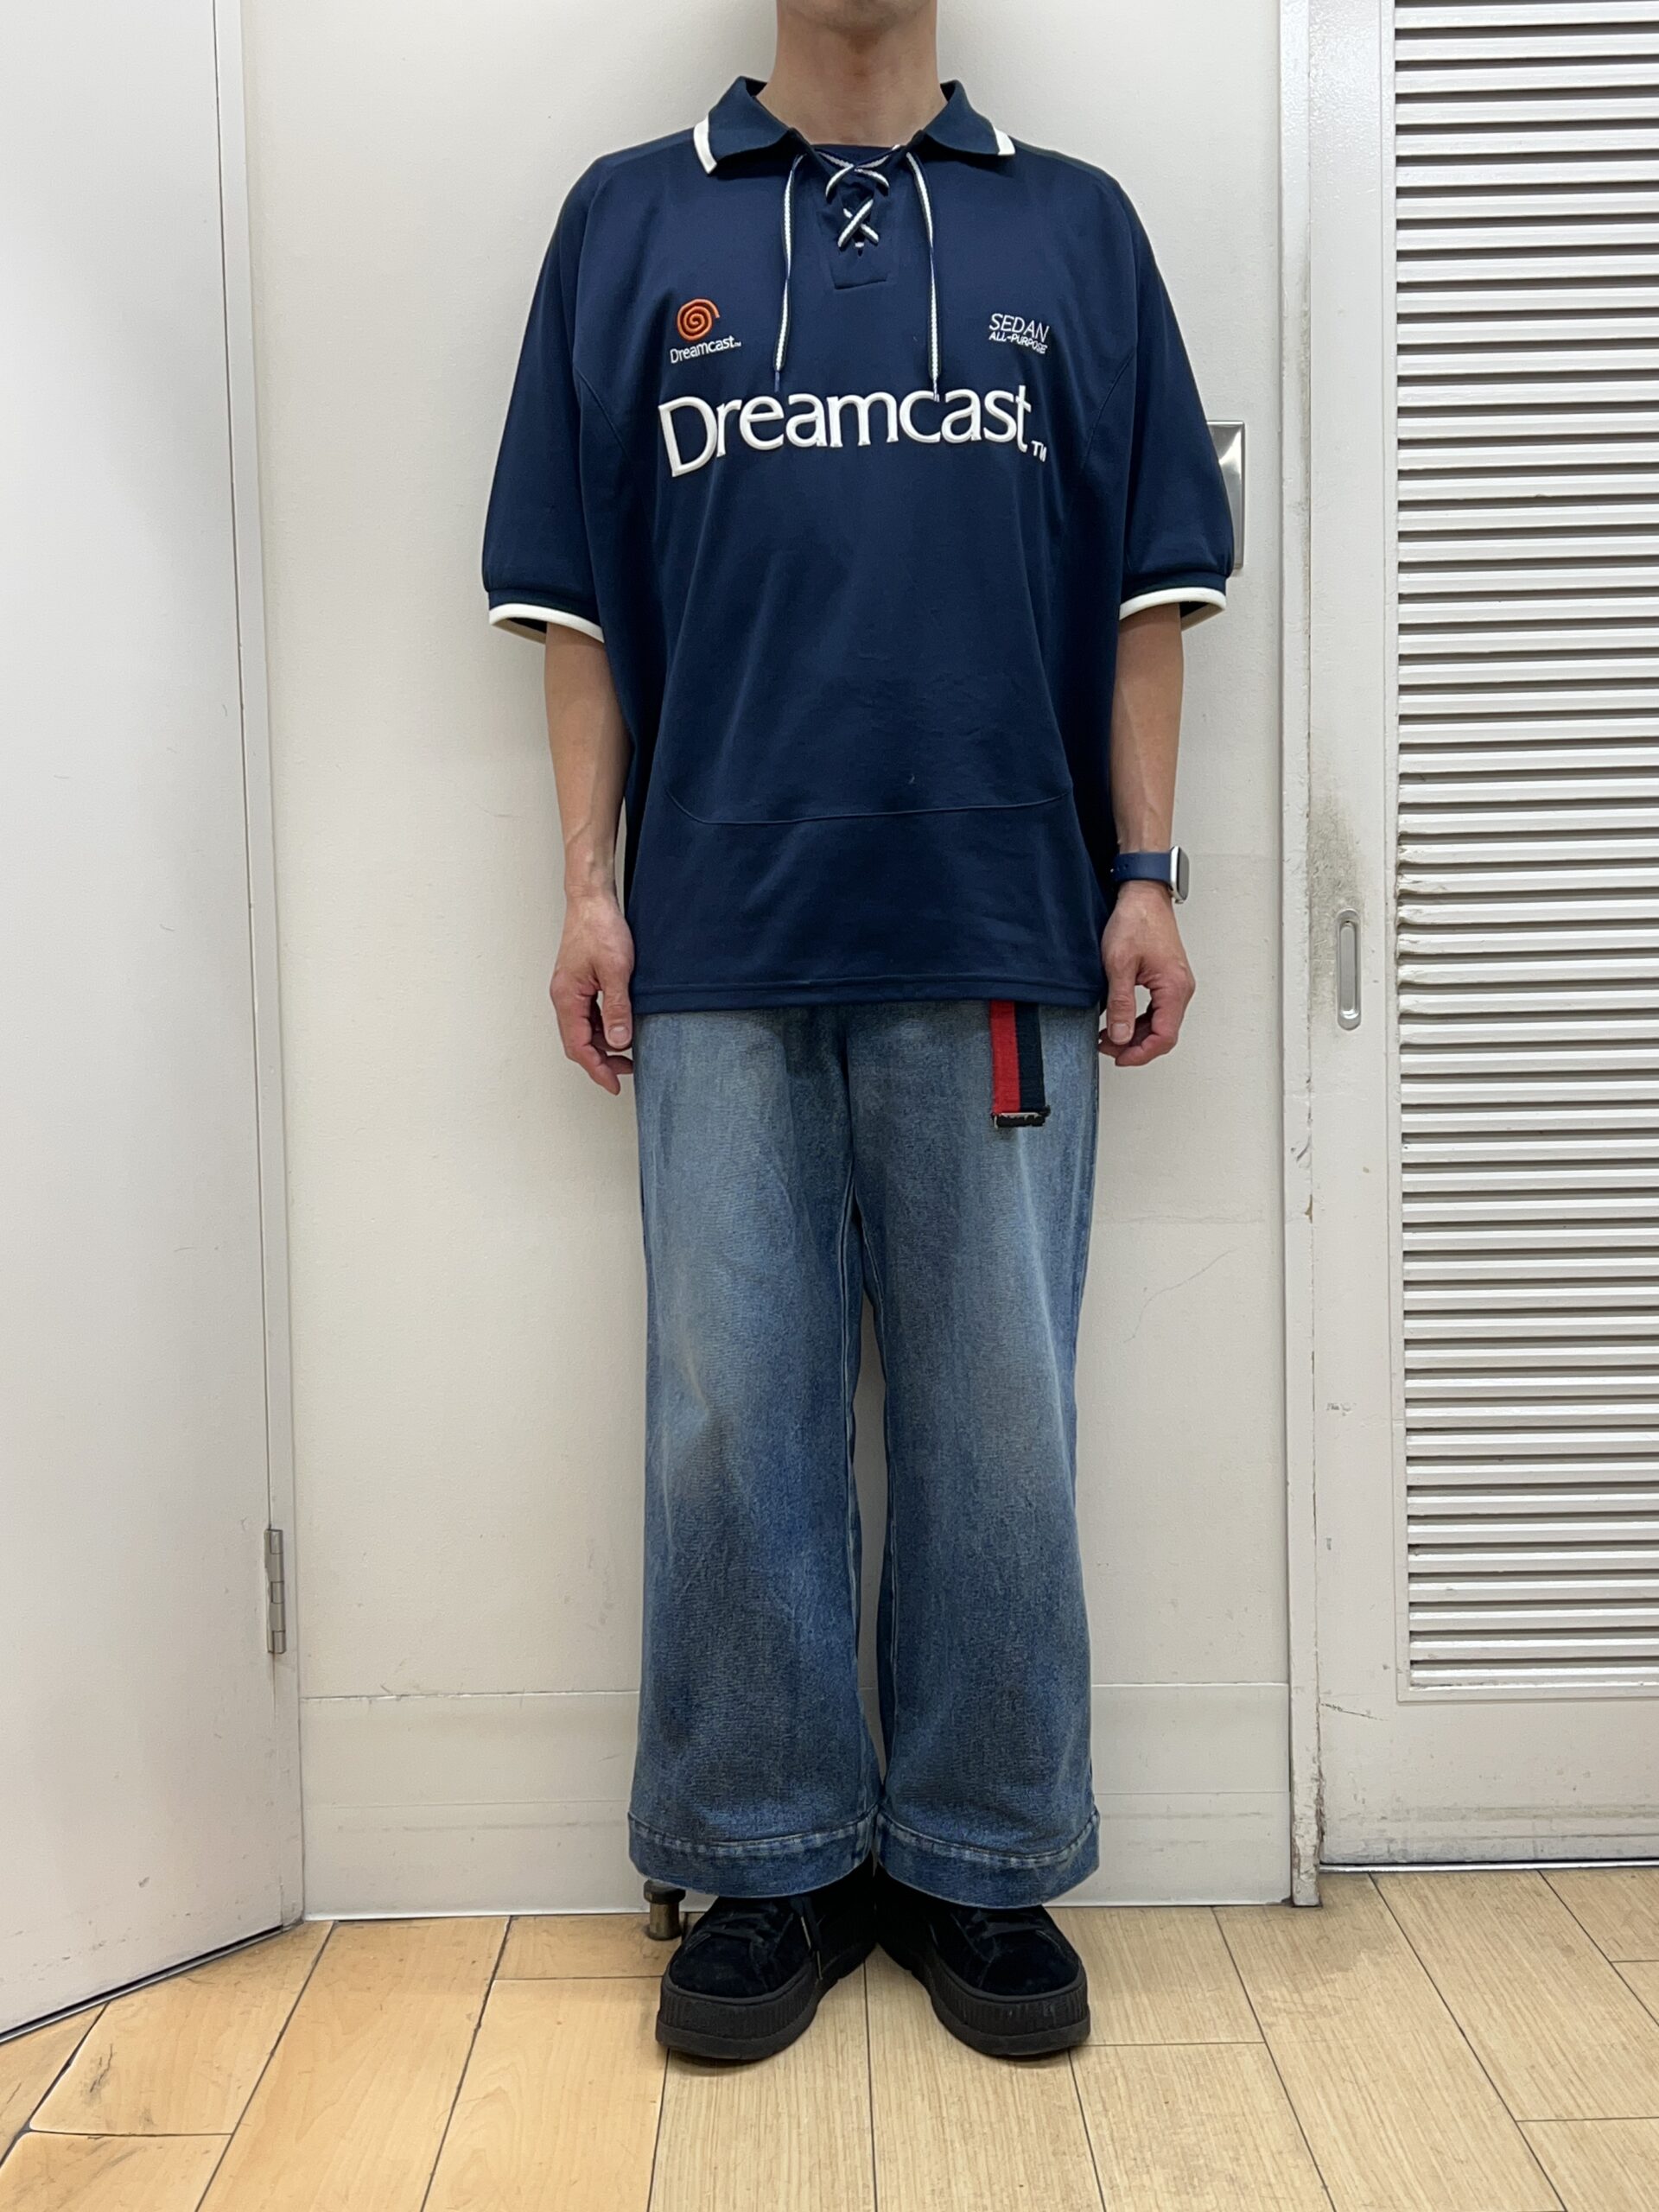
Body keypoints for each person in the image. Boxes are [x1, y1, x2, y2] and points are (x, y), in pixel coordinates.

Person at [483, 0, 1231, 2065]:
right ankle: (765, 1852)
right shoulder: (630, 224)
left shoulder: (1076, 230)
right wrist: (586, 885)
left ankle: (982, 1852)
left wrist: (1149, 868)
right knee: (733, 1412)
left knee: (999, 1414)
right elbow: (574, 607)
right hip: (720, 925)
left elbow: (1148, 594)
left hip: (1002, 923)